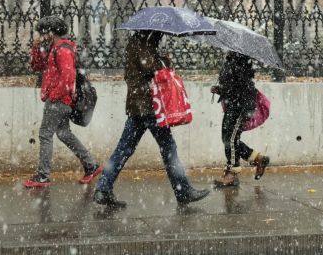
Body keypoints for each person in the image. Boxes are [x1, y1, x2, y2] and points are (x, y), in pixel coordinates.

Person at [94, 30, 209, 208]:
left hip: (137, 107)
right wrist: (165, 61)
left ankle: (103, 189)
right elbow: (151, 67)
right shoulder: (142, 45)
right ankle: (183, 191)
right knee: (169, 148)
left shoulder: (137, 44)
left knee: (123, 149)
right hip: (150, 106)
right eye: (159, 34)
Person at [23, 15, 102, 188]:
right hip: (59, 99)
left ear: (52, 32)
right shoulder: (53, 49)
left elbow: (68, 77)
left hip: (59, 100)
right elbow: (36, 66)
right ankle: (91, 166)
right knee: (64, 133)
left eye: (43, 33)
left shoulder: (63, 50)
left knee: (45, 134)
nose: (41, 36)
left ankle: (42, 176)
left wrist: (54, 96)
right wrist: (36, 48)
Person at [211, 52, 270, 187]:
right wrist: (220, 89)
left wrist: (223, 89)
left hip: (240, 107)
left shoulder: (241, 61)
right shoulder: (231, 61)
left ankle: (232, 174)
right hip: (233, 104)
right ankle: (258, 159)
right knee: (229, 138)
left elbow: (241, 87)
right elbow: (232, 87)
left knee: (230, 139)